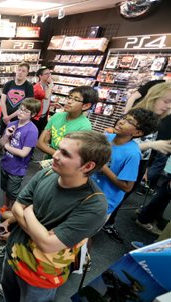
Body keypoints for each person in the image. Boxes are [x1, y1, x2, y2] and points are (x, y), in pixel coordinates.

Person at [0, 130, 111, 302]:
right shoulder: (46, 173)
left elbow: (48, 244)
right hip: (13, 254)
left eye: (65, 153)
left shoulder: (94, 204)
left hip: (42, 274)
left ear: (88, 166)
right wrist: (35, 226)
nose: (54, 154)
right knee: (9, 293)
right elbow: (18, 207)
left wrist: (28, 213)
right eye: (58, 149)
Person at [105, 82, 171, 229]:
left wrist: (145, 168)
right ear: (154, 97)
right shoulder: (137, 117)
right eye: (165, 101)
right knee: (111, 191)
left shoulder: (156, 118)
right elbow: (121, 146)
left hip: (138, 162)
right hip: (120, 162)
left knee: (119, 196)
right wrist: (152, 145)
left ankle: (107, 221)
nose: (167, 106)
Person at [92, 109, 159, 242]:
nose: (122, 121)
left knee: (84, 235)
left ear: (138, 133)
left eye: (129, 122)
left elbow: (127, 187)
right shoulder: (106, 137)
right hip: (88, 190)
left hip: (103, 202)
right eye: (124, 117)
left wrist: (104, 167)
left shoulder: (132, 154)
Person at [0, 98, 40, 221]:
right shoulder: (11, 124)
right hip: (5, 164)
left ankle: (11, 211)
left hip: (18, 168)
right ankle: (5, 207)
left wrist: (7, 146)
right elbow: (0, 144)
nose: (20, 112)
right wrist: (6, 136)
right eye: (20, 109)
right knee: (5, 189)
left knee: (12, 192)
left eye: (25, 111)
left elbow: (24, 153)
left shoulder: (32, 130)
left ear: (33, 114)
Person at [37, 85, 97, 158]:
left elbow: (71, 156)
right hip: (47, 162)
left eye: (75, 99)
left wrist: (47, 145)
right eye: (70, 97)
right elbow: (40, 144)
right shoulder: (57, 116)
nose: (69, 101)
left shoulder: (85, 127)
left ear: (86, 106)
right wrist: (57, 152)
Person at [32, 66, 55, 134]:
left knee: (42, 133)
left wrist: (51, 104)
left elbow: (43, 101)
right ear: (40, 76)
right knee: (36, 133)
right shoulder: (37, 87)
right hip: (37, 117)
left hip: (44, 115)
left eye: (49, 73)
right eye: (46, 74)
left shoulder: (47, 86)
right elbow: (46, 96)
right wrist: (51, 84)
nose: (49, 76)